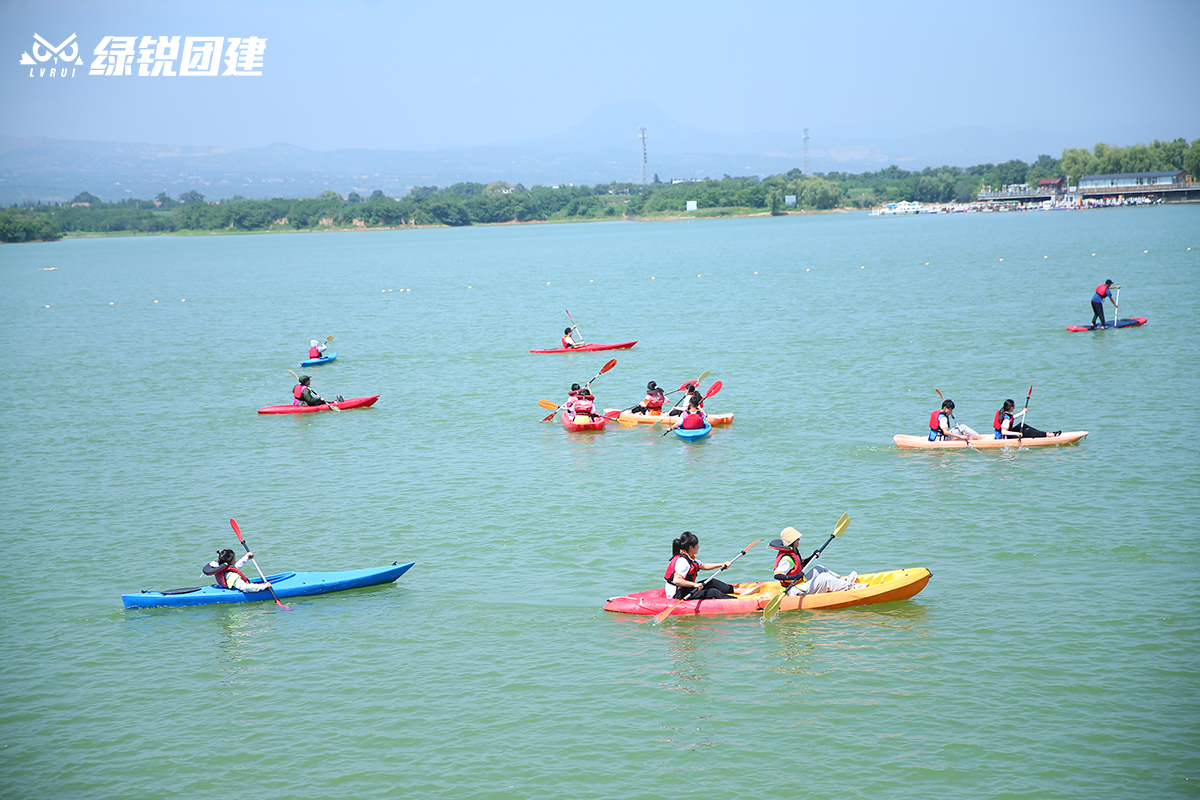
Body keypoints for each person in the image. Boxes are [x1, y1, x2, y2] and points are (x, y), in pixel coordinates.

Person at [770, 527, 863, 596]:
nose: (799, 539)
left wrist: (813, 555)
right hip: (794, 590)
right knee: (824, 578)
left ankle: (842, 581)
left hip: (800, 583)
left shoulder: (794, 551)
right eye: (796, 538)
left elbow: (801, 565)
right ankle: (849, 588)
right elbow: (777, 575)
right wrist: (795, 576)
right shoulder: (787, 559)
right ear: (791, 541)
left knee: (819, 568)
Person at [664, 531, 741, 600]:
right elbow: (676, 580)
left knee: (712, 582)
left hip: (685, 588)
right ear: (691, 548)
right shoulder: (683, 562)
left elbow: (703, 565)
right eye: (697, 545)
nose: (698, 546)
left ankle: (739, 591)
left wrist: (722, 564)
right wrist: (694, 584)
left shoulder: (690, 557)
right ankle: (736, 600)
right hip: (678, 594)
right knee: (713, 592)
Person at [203, 549, 272, 593]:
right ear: (230, 561)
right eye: (234, 559)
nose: (235, 560)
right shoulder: (232, 576)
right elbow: (245, 587)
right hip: (241, 589)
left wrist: (247, 557)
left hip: (226, 587)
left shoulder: (222, 569)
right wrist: (263, 587)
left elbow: (236, 567)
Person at [994, 399, 1061, 439]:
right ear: (1011, 408)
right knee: (1027, 431)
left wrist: (1022, 412)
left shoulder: (1004, 413)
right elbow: (1004, 432)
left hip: (1003, 435)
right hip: (1004, 438)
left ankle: (1045, 434)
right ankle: (1048, 435)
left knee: (1023, 425)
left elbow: (1012, 417)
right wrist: (1017, 434)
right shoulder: (1006, 419)